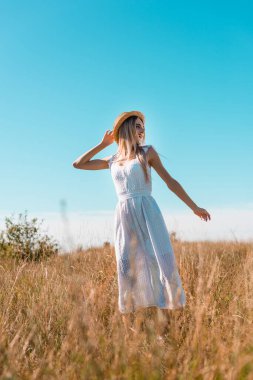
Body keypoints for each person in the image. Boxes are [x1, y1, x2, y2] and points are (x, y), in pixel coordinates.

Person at [72, 110, 211, 319]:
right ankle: (140, 319)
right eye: (137, 125)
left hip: (147, 210)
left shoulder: (147, 152)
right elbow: (78, 164)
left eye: (142, 127)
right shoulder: (112, 160)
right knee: (129, 264)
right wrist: (103, 144)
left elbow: (170, 182)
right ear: (127, 128)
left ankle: (168, 315)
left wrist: (194, 207)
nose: (141, 130)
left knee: (158, 258)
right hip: (124, 214)